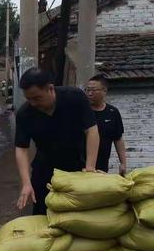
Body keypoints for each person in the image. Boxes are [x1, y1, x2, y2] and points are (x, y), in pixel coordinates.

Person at [15, 68, 99, 215]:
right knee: (43, 215)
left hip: (76, 168)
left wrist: (90, 167)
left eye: (37, 98)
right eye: (28, 99)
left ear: (50, 88)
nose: (33, 103)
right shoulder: (25, 114)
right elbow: (21, 149)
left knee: (78, 216)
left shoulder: (74, 98)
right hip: (45, 172)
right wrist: (26, 183)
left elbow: (91, 130)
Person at [86, 74, 127, 175]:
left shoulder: (113, 112)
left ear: (104, 91)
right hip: (81, 166)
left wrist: (123, 163)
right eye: (87, 90)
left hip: (102, 167)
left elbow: (118, 138)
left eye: (94, 90)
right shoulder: (82, 111)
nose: (89, 93)